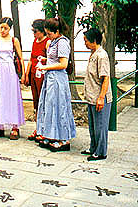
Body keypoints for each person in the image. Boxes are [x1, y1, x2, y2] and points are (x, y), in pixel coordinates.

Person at [36, 17, 76, 151]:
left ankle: (63, 139)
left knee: (59, 107)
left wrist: (45, 67)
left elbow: (63, 64)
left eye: (49, 33)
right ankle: (51, 134)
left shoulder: (63, 42)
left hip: (58, 79)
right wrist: (45, 59)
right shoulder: (53, 42)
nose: (48, 36)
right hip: (50, 79)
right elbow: (54, 59)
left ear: (57, 31)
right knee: (50, 106)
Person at [0, 17, 25, 140]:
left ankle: (15, 126)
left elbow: (20, 57)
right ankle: (0, 125)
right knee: (0, 96)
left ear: (10, 29)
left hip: (10, 69)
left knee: (12, 96)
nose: (3, 30)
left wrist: (23, 74)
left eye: (6, 28)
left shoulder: (14, 40)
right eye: (1, 27)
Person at [83, 28, 112, 161]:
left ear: (94, 41)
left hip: (100, 97)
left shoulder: (102, 55)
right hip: (91, 96)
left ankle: (101, 152)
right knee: (93, 125)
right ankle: (93, 147)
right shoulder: (93, 54)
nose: (85, 43)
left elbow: (105, 78)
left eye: (87, 41)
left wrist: (101, 98)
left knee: (100, 126)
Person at [24, 19, 50, 141]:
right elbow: (31, 58)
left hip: (42, 75)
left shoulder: (47, 42)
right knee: (36, 102)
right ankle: (38, 128)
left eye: (35, 31)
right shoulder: (35, 41)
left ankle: (45, 129)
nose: (34, 34)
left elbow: (50, 60)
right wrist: (26, 74)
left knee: (43, 102)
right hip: (34, 74)